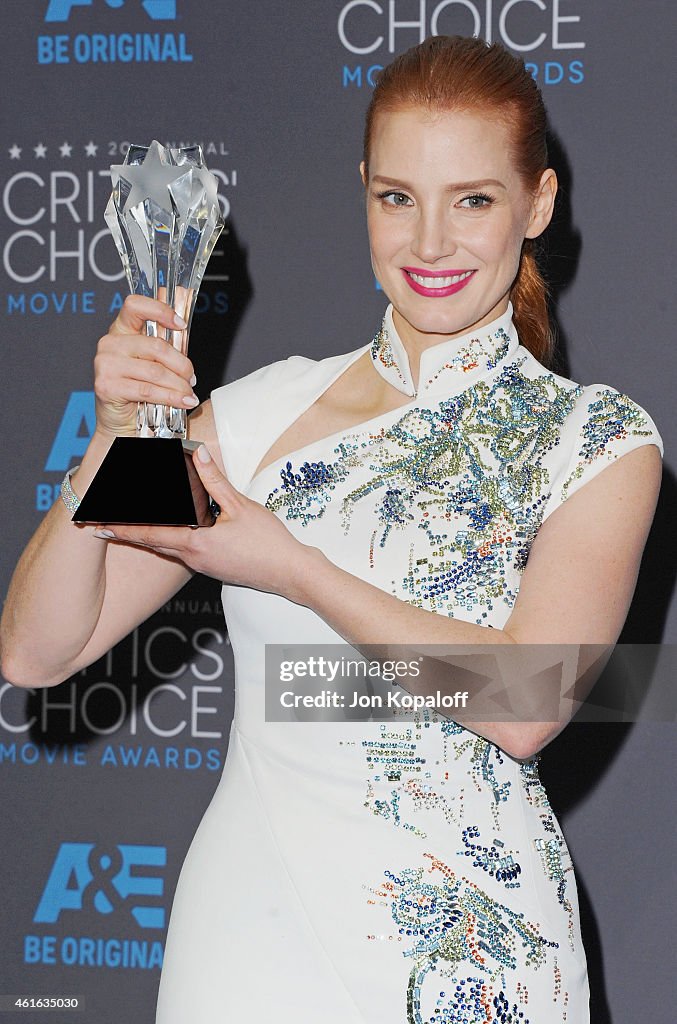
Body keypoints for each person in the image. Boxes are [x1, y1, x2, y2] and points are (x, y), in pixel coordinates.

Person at [0, 34, 663, 1024]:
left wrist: (291, 565)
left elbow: (525, 703)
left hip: (471, 951)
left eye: (471, 200)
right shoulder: (260, 414)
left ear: (536, 203)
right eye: (396, 198)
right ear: (362, 191)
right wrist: (116, 436)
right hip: (250, 938)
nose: (428, 243)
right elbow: (39, 650)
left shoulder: (593, 439)